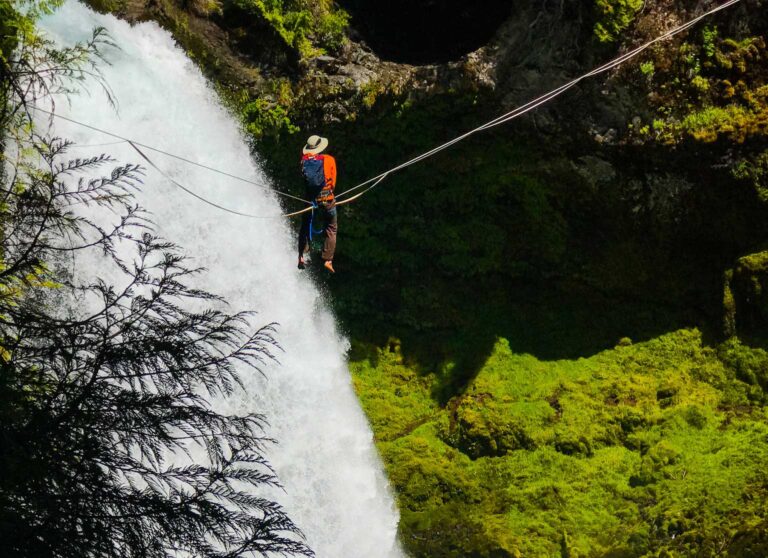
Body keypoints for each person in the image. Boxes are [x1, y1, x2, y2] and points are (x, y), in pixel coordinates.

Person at [298, 135, 337, 273]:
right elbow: (332, 183)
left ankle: (301, 256)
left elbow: (305, 180)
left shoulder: (304, 161)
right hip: (327, 199)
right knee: (331, 228)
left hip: (310, 200)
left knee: (305, 225)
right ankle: (328, 260)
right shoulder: (330, 160)